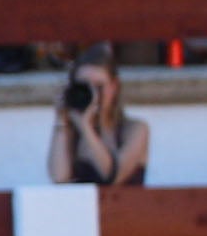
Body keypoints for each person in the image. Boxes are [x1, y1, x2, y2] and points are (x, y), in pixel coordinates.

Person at [48, 50, 151, 186]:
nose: (93, 94)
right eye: (85, 86)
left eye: (99, 87)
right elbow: (59, 177)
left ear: (114, 87)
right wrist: (61, 119)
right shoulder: (72, 132)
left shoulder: (135, 129)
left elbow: (113, 176)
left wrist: (86, 128)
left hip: (127, 206)